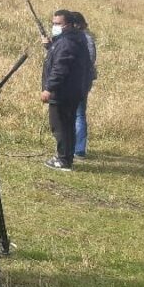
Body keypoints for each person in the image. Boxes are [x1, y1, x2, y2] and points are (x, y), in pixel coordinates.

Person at [39, 9, 92, 171]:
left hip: (63, 93)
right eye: (53, 23)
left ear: (68, 24)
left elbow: (60, 68)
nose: (54, 26)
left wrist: (49, 88)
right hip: (73, 91)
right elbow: (61, 56)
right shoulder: (73, 39)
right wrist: (51, 46)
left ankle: (63, 160)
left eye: (58, 24)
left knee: (60, 126)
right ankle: (66, 157)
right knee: (68, 126)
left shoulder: (67, 42)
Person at [71, 12, 97, 159]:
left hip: (80, 81)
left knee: (79, 113)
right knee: (77, 113)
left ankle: (79, 149)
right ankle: (75, 147)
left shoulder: (85, 39)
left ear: (77, 24)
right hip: (80, 80)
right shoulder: (82, 38)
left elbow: (89, 61)